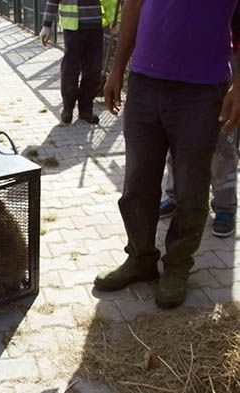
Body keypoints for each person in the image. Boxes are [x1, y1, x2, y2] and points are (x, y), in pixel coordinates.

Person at [95, 0, 240, 309]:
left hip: (201, 90)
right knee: (137, 185)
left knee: (191, 188)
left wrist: (238, 86)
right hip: (144, 83)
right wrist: (117, 69)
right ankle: (140, 258)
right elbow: (134, 6)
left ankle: (176, 267)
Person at [160, 16, 240, 238]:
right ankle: (174, 195)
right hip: (181, 60)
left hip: (225, 60)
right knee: (174, 134)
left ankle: (224, 208)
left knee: (223, 142)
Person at [39, 0, 119, 126]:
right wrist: (47, 25)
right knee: (70, 71)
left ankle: (86, 109)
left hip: (95, 26)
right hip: (72, 28)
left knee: (93, 70)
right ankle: (68, 109)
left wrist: (115, 19)